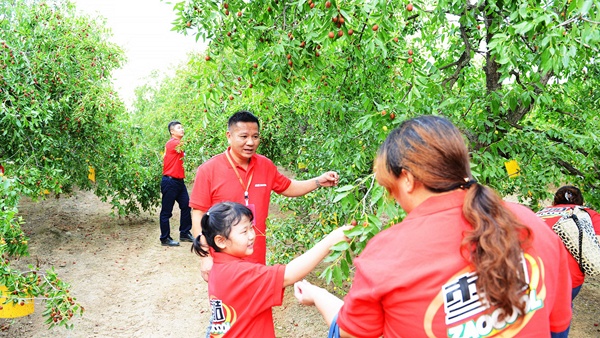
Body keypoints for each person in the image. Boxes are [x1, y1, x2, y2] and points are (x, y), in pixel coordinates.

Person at [293, 115, 572, 337]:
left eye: (390, 188)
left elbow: (349, 333)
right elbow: (557, 326)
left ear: (408, 179)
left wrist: (318, 296)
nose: (393, 197)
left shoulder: (387, 254)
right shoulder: (531, 224)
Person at [189, 110, 339, 280]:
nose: (250, 142)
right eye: (243, 136)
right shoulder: (208, 170)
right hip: (222, 259)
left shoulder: (265, 165)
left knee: (257, 303)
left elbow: (289, 187)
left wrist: (318, 181)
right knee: (228, 305)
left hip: (256, 254)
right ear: (229, 136)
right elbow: (198, 213)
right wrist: (205, 257)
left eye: (255, 136)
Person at [192, 201, 352, 337]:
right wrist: (332, 239)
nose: (252, 235)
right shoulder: (240, 274)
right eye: (244, 231)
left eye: (251, 228)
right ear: (221, 241)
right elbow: (289, 274)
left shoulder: (219, 268)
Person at [537, 185, 600, 301]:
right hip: (568, 279)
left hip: (534, 274)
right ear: (581, 201)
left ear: (555, 200)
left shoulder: (541, 213)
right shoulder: (589, 214)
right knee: (561, 313)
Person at [159, 121, 194, 247]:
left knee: (186, 205)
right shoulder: (173, 143)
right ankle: (165, 238)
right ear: (172, 131)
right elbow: (191, 145)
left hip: (179, 181)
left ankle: (184, 232)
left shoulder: (178, 145)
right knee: (166, 211)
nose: (182, 129)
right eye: (179, 128)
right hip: (170, 181)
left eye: (182, 127)